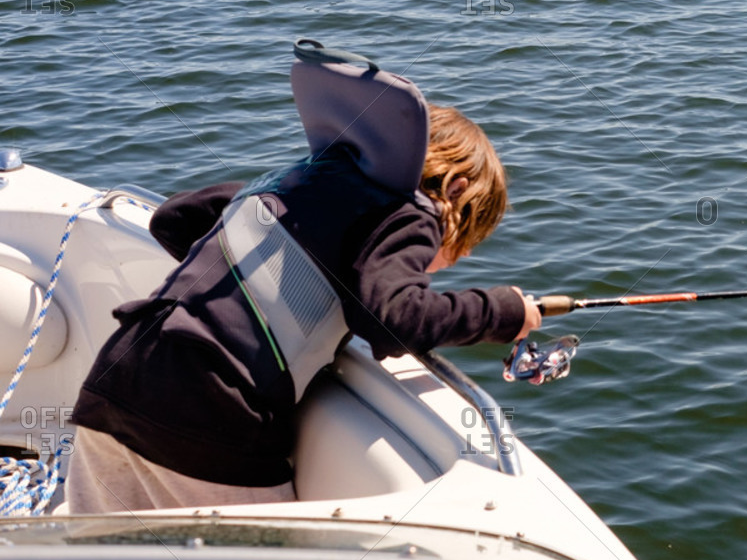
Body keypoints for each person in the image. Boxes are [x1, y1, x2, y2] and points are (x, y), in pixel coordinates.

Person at [62, 101, 541, 514]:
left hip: (121, 373)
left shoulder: (301, 181)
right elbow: (394, 321)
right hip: (210, 415)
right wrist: (504, 312)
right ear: (454, 189)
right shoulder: (411, 214)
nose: (465, 252)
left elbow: (172, 219)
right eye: (469, 231)